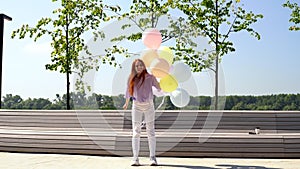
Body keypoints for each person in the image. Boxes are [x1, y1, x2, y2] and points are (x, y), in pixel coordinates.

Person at [123, 59, 161, 166]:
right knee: (136, 132)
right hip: (136, 106)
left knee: (151, 131)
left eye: (141, 65)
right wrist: (126, 103)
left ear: (144, 66)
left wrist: (161, 81)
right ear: (134, 68)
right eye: (137, 66)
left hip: (149, 106)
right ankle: (135, 158)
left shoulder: (150, 77)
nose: (139, 67)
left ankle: (153, 158)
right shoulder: (132, 79)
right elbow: (128, 91)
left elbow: (158, 87)